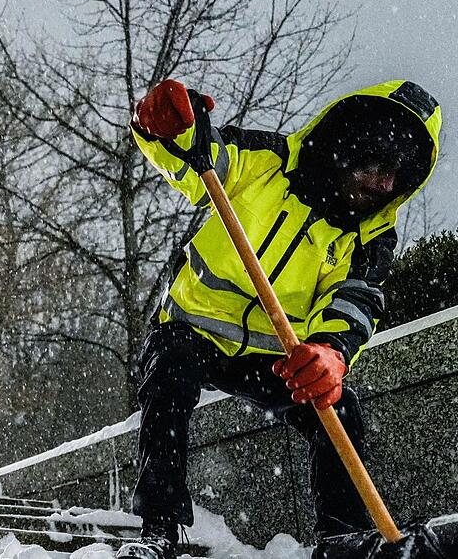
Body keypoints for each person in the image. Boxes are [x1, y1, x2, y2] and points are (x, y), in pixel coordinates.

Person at [116, 79, 440, 558]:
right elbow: (195, 154)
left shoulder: (369, 238)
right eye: (377, 166)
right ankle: (157, 530)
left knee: (340, 409)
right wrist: (164, 125)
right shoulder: (265, 162)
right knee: (169, 368)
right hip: (193, 329)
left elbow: (355, 300)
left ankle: (342, 542)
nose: (385, 185)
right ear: (349, 148)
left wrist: (331, 354)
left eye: (397, 177)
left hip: (274, 356)